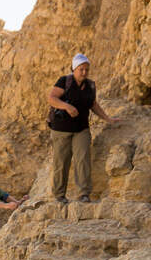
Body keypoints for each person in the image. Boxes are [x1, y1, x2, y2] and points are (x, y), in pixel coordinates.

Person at [46, 52, 110, 202]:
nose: (84, 72)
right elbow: (52, 98)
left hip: (81, 129)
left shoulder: (90, 85)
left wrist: (108, 118)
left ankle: (83, 194)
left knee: (83, 161)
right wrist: (67, 106)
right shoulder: (64, 81)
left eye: (86, 69)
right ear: (74, 69)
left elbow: (93, 105)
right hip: (61, 130)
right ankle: (59, 195)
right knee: (61, 162)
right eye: (81, 69)